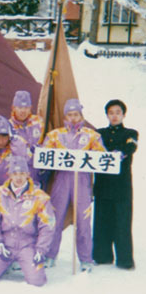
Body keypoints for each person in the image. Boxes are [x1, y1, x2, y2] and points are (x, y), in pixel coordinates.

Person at [42, 99, 106, 272]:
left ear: (81, 115)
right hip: (61, 180)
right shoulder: (55, 135)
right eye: (70, 115)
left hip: (83, 181)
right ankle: (49, 255)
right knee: (55, 219)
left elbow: (102, 156)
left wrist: (112, 157)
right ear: (65, 116)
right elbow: (45, 155)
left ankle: (85, 259)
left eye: (76, 114)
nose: (73, 118)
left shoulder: (91, 135)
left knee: (83, 221)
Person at [0, 156, 55, 287]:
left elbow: (47, 225)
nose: (18, 177)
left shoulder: (40, 197)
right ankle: (4, 264)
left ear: (28, 174)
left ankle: (25, 263)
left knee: (37, 281)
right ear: (9, 175)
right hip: (5, 244)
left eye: (22, 173)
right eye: (15, 173)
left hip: (27, 245)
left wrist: (41, 249)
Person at [93, 99, 138, 270]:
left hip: (121, 186)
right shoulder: (99, 133)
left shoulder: (131, 133)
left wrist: (121, 153)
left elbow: (132, 146)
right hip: (103, 185)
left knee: (122, 222)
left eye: (118, 112)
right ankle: (102, 256)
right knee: (102, 220)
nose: (114, 116)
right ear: (107, 115)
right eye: (111, 113)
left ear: (123, 114)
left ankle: (125, 260)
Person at [8, 90, 46, 187]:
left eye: (26, 107)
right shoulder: (8, 126)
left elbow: (47, 141)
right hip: (18, 174)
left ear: (30, 108)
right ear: (13, 108)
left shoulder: (39, 122)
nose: (23, 111)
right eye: (20, 107)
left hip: (38, 172)